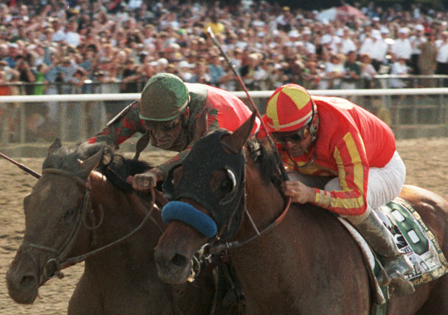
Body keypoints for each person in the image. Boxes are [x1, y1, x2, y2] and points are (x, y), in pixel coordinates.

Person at [263, 83, 415, 297]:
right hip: (328, 167)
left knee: (335, 189)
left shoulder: (342, 131)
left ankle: (394, 257)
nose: (289, 145)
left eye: (296, 136)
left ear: (314, 122)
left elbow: (355, 201)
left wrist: (310, 194)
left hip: (381, 167)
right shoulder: (279, 126)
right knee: (283, 184)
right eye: (281, 138)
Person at [81, 72, 260, 190]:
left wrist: (155, 173)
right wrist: (73, 156)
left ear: (186, 113)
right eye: (151, 127)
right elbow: (106, 138)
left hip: (248, 138)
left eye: (168, 127)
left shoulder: (208, 113)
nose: (159, 137)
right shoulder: (142, 109)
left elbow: (196, 153)